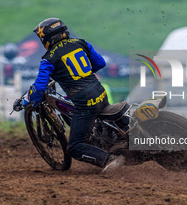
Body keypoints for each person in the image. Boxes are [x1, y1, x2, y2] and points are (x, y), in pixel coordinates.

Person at [24, 18, 124, 172]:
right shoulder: (81, 43)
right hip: (100, 94)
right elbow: (100, 63)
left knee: (74, 147)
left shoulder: (49, 59)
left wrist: (25, 101)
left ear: (47, 39)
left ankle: (109, 159)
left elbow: (38, 89)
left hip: (85, 103)